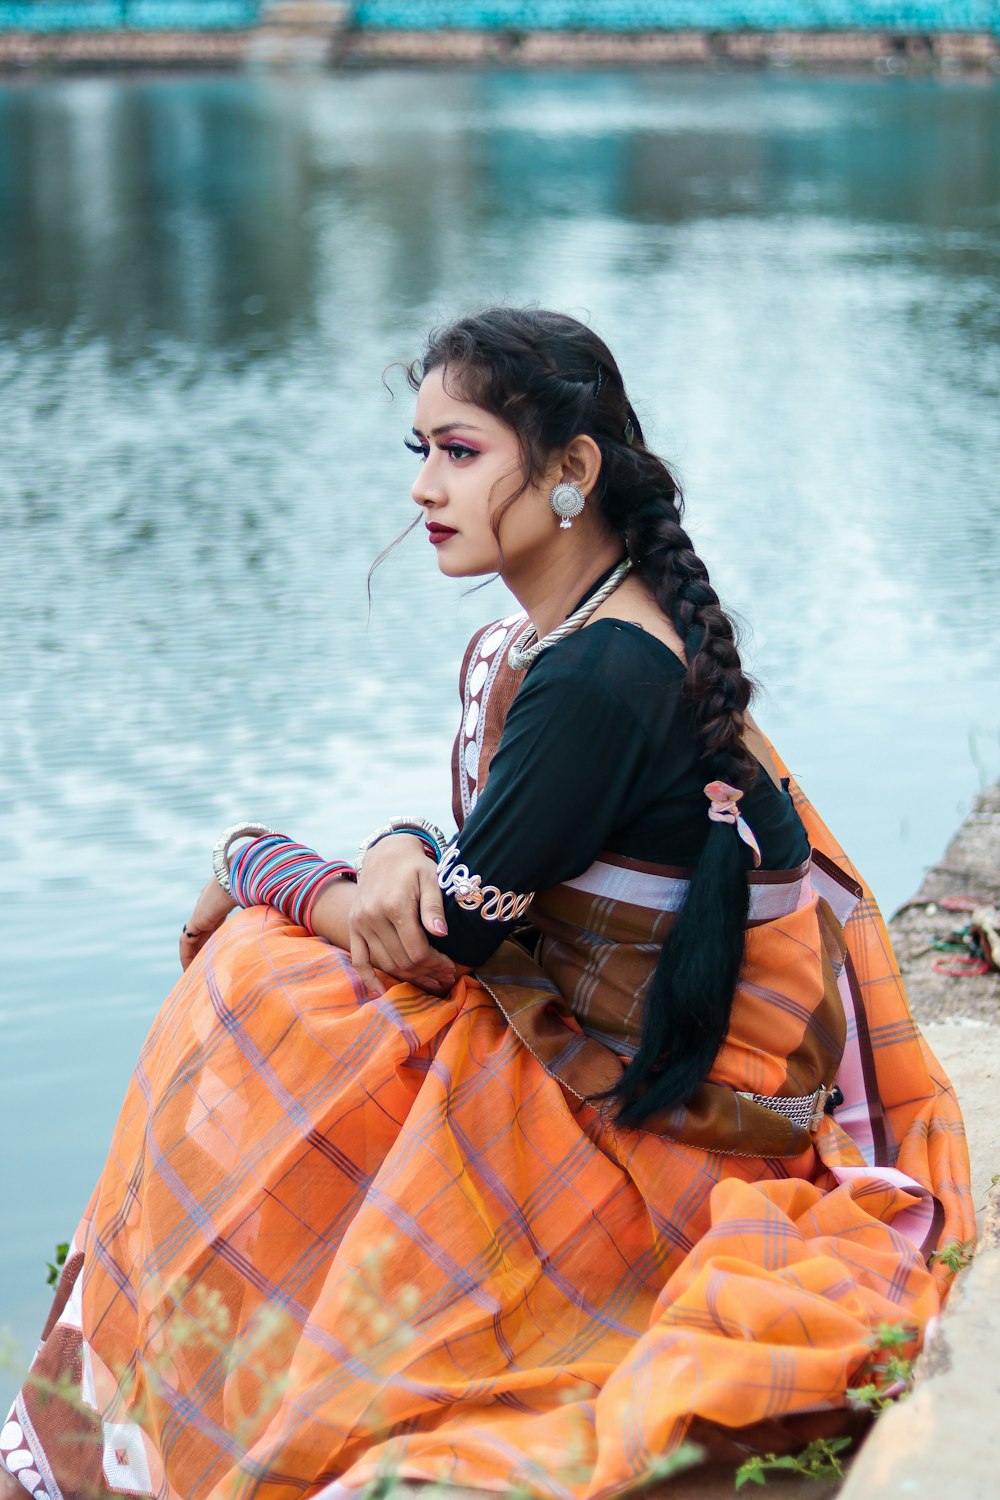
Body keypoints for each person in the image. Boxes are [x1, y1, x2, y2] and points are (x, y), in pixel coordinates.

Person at [1, 308, 973, 1500]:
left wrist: (259, 863)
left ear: (570, 471)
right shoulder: (570, 636)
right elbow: (476, 885)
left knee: (263, 981)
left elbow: (443, 937)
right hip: (622, 1034)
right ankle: (209, 1366)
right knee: (297, 987)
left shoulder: (602, 674)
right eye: (415, 451)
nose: (423, 488)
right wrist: (394, 846)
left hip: (658, 1119)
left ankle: (193, 1394)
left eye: (459, 453)